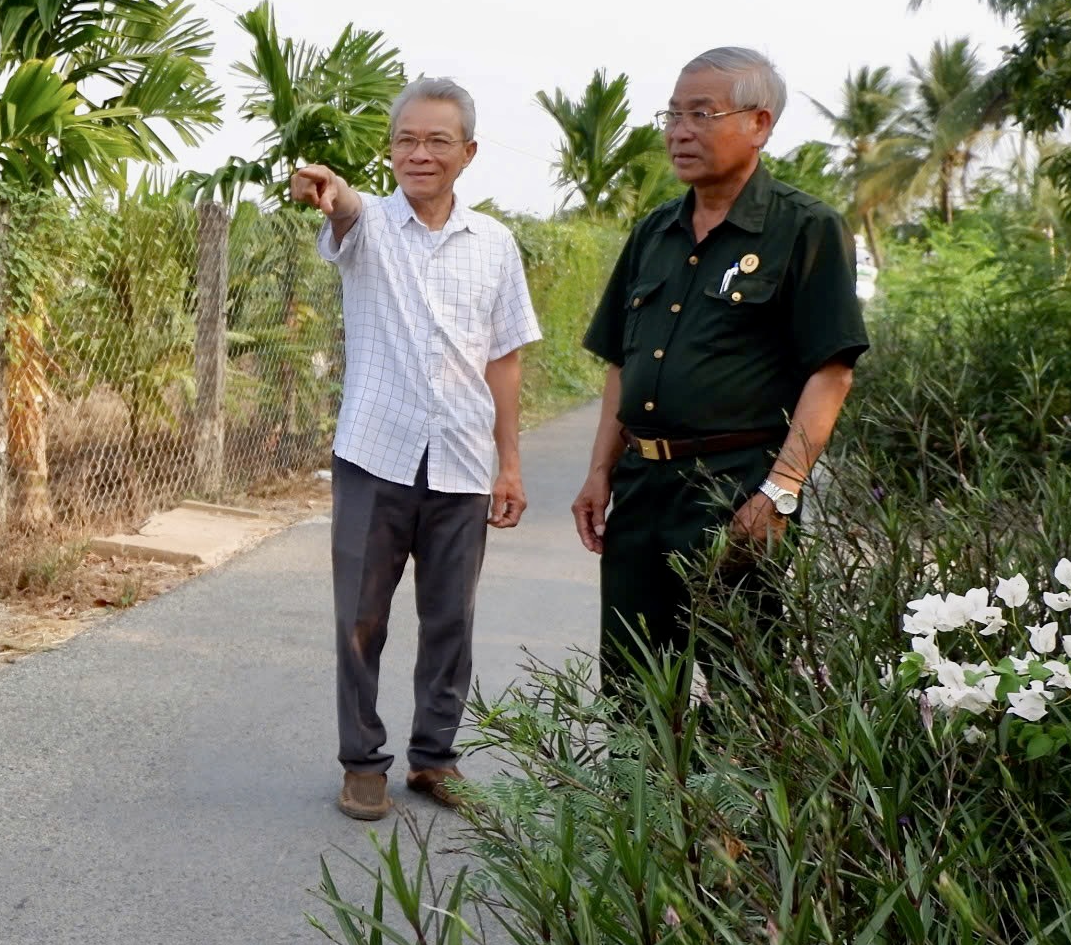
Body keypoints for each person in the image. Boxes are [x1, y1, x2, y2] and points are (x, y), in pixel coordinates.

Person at [570, 47, 868, 683]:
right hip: (641, 489)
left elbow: (831, 372)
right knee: (634, 683)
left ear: (759, 124)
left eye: (702, 114)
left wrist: (780, 492)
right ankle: (635, 788)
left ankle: (742, 789)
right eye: (672, 114)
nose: (680, 131)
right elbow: (622, 362)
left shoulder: (805, 229)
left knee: (743, 685)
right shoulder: (654, 232)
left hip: (731, 490)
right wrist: (599, 472)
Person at [290, 76, 542, 822]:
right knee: (360, 616)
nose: (419, 154)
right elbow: (344, 208)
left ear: (467, 152)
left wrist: (511, 462)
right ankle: (362, 761)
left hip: (463, 458)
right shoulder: (368, 225)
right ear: (391, 150)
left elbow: (505, 358)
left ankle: (435, 756)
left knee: (450, 621)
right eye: (406, 140)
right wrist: (330, 191)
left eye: (437, 140)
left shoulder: (494, 243)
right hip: (377, 453)